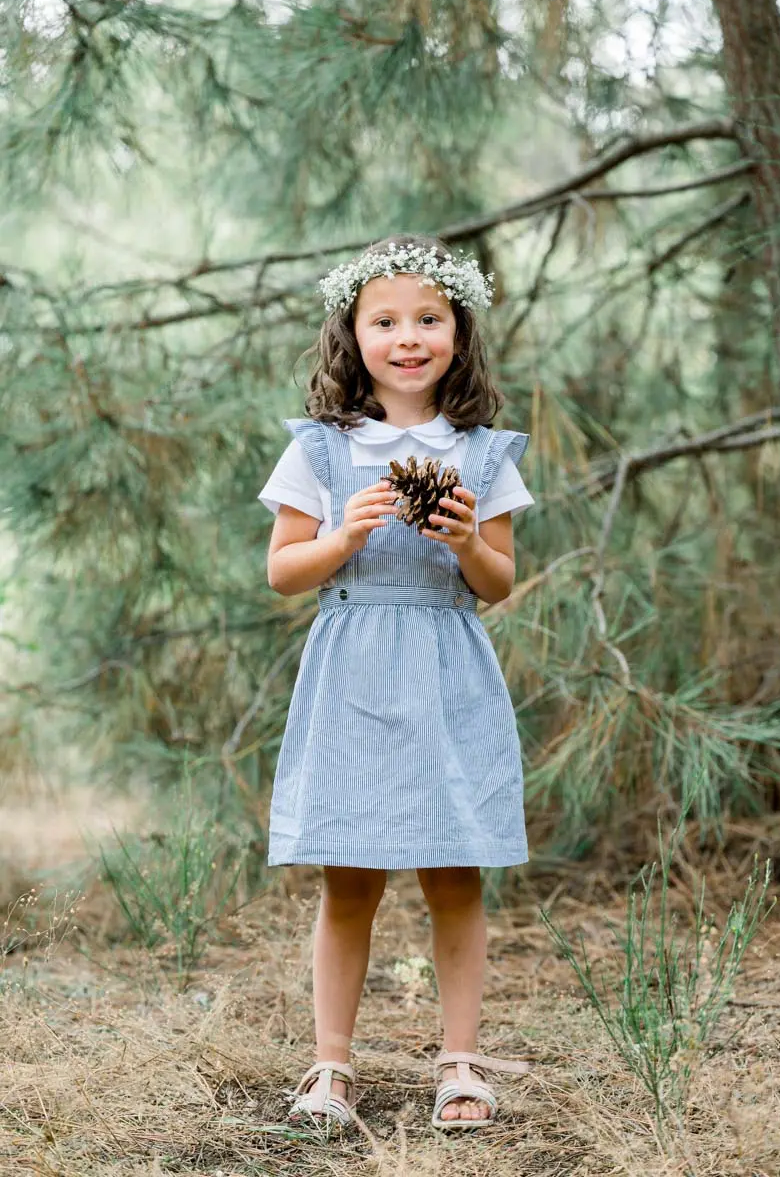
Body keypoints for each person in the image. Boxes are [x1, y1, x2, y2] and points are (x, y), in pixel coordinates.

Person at [257, 234, 533, 1132]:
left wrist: (463, 542)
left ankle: (460, 1061)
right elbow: (285, 572)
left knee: (455, 876)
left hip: (447, 670)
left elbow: (497, 585)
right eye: (386, 320)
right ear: (354, 333)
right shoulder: (322, 451)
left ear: (458, 333)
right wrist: (344, 536)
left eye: (429, 318)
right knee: (350, 882)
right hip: (354, 677)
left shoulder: (483, 454)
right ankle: (329, 1065)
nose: (408, 336)